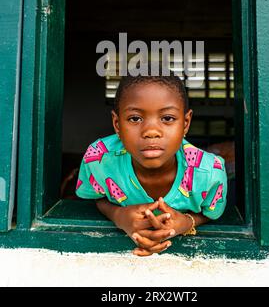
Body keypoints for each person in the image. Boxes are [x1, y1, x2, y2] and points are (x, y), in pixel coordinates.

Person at [75, 70, 227, 256]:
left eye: (167, 118)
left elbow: (210, 212)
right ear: (117, 124)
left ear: (186, 123)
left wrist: (187, 222)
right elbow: (97, 197)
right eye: (135, 118)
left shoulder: (209, 173)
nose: (151, 131)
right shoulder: (99, 160)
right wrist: (118, 216)